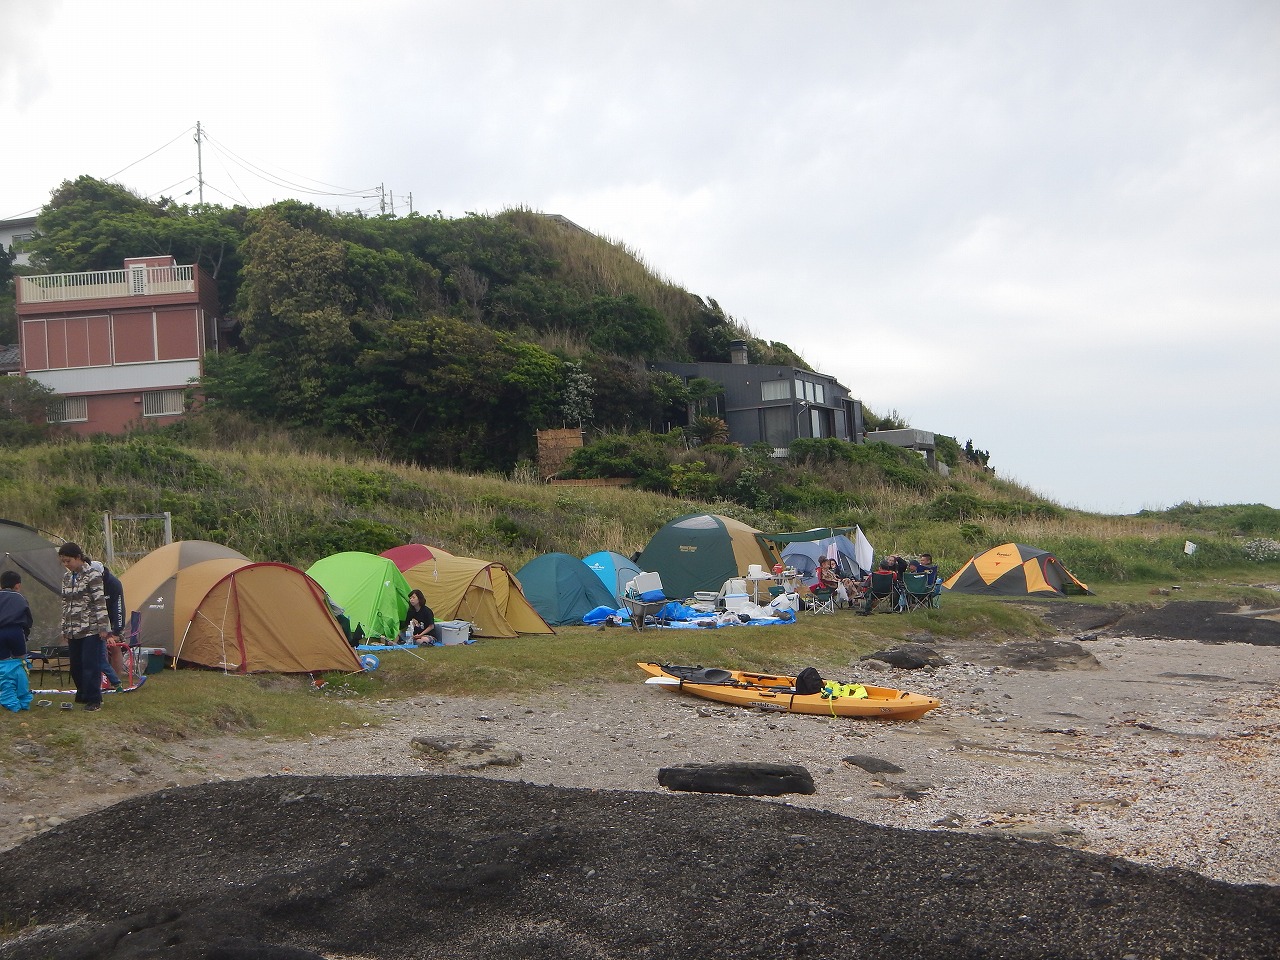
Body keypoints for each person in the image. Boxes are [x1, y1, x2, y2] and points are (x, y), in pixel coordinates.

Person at [58, 543, 110, 712]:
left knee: (90, 664)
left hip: (90, 628)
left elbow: (99, 602)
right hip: (72, 628)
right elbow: (65, 603)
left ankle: (95, 699)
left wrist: (103, 627)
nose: (66, 564)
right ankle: (82, 692)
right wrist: (64, 628)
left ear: (78, 558)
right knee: (76, 665)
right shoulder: (66, 578)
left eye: (68, 561)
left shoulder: (93, 575)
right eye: (63, 562)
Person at [87, 557, 126, 692]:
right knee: (96, 652)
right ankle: (96, 681)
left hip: (111, 618)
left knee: (115, 647)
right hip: (93, 620)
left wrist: (115, 632)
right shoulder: (86, 581)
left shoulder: (114, 584)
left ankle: (116, 680)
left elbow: (119, 608)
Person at [0, 570, 33, 660]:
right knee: (21, 661)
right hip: (16, 632)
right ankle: (21, 673)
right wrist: (25, 635)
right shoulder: (20, 598)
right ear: (17, 585)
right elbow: (28, 620)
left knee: (2, 663)